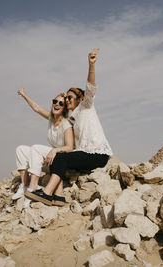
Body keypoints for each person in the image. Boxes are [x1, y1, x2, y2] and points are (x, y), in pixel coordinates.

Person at [25, 48, 113, 206]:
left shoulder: (87, 106)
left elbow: (91, 86)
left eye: (69, 97)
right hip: (84, 154)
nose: (66, 101)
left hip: (97, 154)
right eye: (65, 99)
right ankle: (58, 197)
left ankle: (46, 193)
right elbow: (43, 111)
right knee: (57, 157)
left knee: (60, 156)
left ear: (80, 98)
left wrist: (91, 64)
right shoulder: (70, 119)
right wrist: (25, 96)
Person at [13, 89, 74, 208]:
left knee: (35, 148)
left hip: (61, 157)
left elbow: (70, 147)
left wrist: (55, 150)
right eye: (55, 101)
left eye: (61, 103)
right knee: (20, 149)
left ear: (64, 109)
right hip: (51, 156)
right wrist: (24, 95)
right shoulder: (51, 119)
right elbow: (36, 107)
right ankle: (25, 185)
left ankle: (33, 187)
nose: (57, 104)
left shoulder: (66, 124)